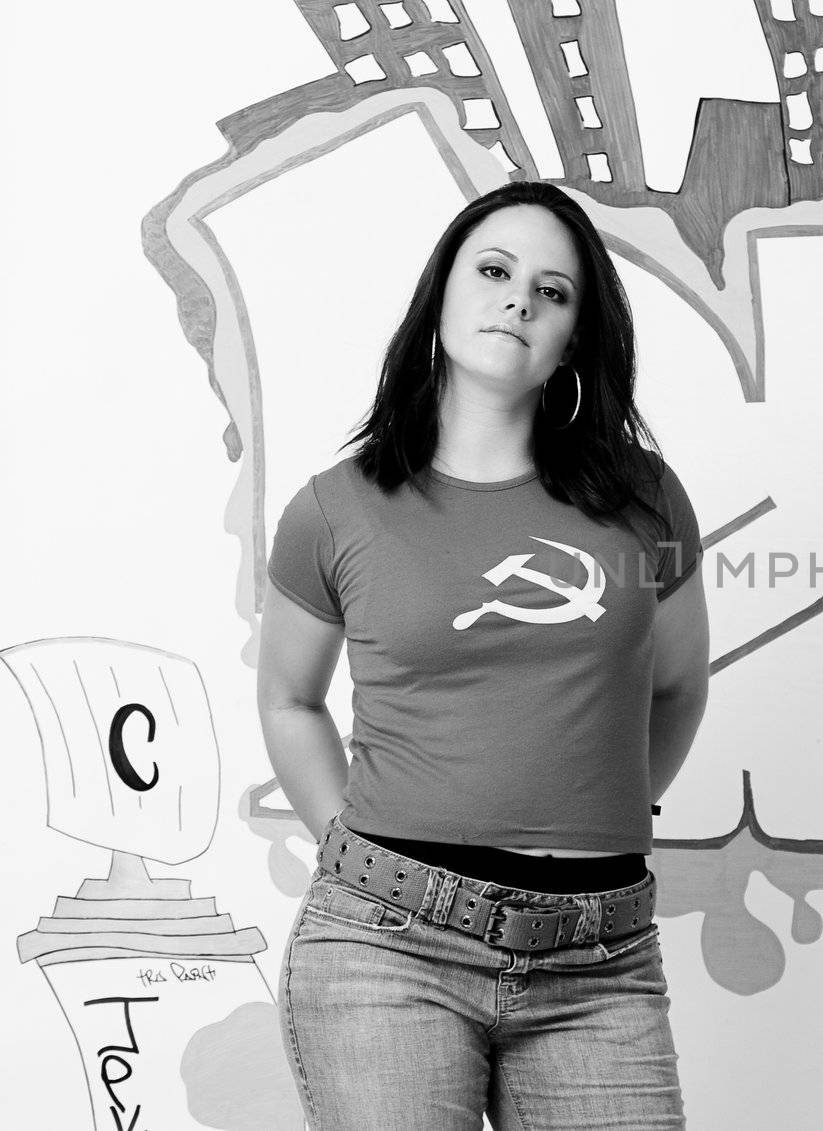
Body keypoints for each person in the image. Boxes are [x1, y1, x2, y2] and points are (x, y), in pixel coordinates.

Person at [256, 179, 709, 1130]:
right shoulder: (335, 509)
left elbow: (676, 687)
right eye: (495, 271)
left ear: (575, 336)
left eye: (554, 291)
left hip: (603, 961)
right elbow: (291, 700)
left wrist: (602, 798)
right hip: (388, 949)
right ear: (442, 296)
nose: (519, 300)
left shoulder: (646, 501)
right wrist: (350, 842)